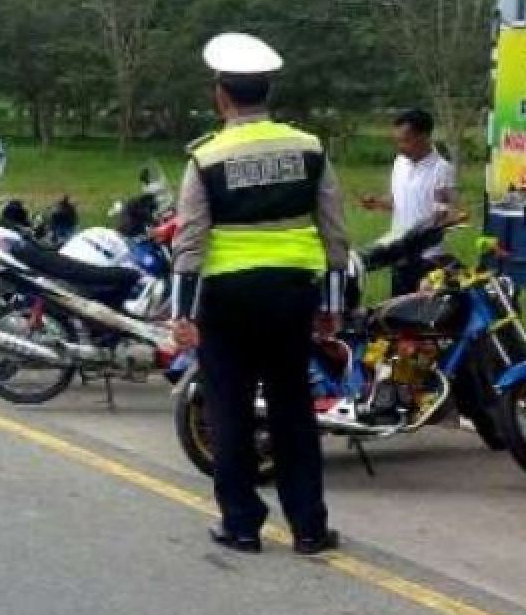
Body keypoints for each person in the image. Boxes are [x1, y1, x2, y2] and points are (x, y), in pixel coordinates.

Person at [171, 32, 349, 556]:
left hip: (228, 300)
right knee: (294, 407)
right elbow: (335, 233)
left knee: (230, 409)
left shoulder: (206, 158)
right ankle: (310, 528)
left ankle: (243, 524)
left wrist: (183, 315)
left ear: (221, 96)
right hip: (293, 295)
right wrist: (332, 308)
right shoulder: (309, 148)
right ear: (267, 93)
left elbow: (190, 241)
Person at [361, 108, 456, 296]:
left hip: (426, 258)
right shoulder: (400, 162)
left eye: (405, 140)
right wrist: (378, 202)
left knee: (421, 316)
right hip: (399, 254)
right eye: (397, 141)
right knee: (397, 314)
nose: (400, 146)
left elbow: (440, 216)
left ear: (424, 137)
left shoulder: (441, 170)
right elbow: (398, 201)